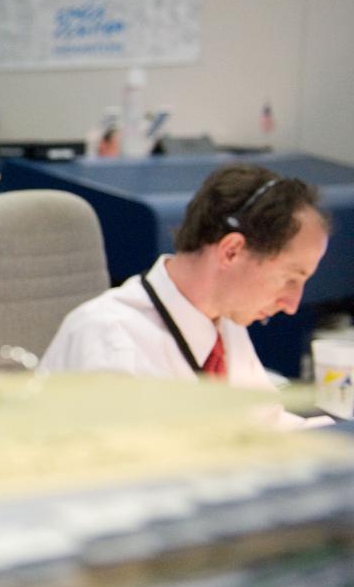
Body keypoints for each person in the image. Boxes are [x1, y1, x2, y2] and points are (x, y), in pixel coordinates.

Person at [40, 164, 331, 425]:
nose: (292, 304)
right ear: (232, 252)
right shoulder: (112, 345)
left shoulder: (220, 318)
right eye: (289, 279)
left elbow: (265, 424)